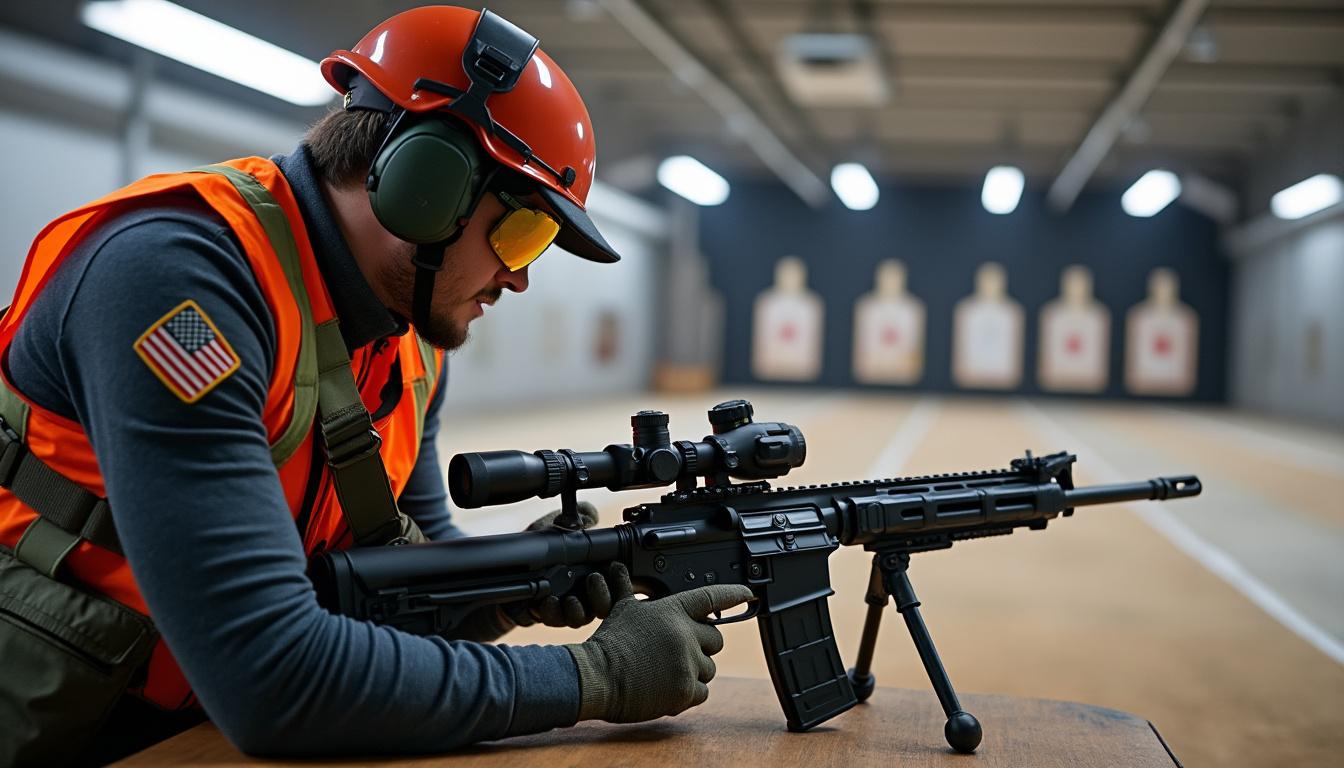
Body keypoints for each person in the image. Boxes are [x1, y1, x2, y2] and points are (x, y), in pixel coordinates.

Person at [0, 7, 751, 764]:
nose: (519, 277)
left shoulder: (408, 342)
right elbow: (273, 676)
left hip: (190, 723)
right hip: (56, 721)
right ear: (428, 182)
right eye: (521, 231)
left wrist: (506, 591)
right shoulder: (178, 284)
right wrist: (594, 677)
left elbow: (397, 594)